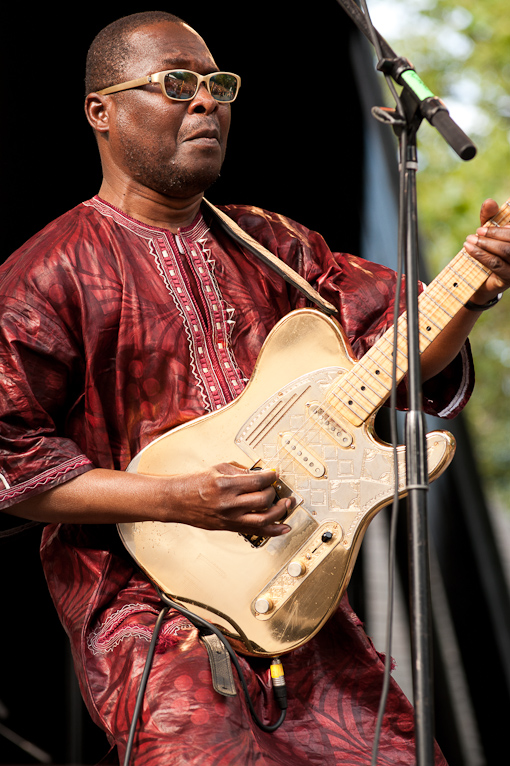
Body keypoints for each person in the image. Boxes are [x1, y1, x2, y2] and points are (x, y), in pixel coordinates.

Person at [1, 10, 509, 765]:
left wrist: (470, 290)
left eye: (217, 85)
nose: (206, 102)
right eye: (177, 84)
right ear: (100, 112)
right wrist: (180, 500)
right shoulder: (45, 273)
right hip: (151, 615)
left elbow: (399, 358)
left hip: (297, 588)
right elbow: (12, 463)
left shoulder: (278, 246)